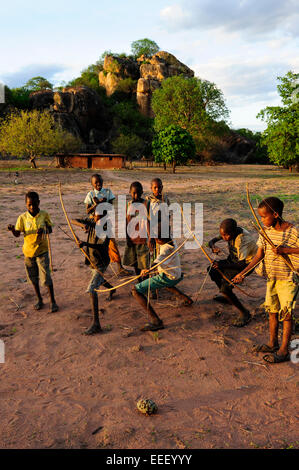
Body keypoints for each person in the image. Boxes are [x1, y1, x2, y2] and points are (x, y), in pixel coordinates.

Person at [233, 197, 299, 363]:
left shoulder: (292, 231)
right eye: (260, 217)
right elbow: (259, 255)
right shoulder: (265, 232)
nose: (261, 220)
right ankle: (272, 343)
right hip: (272, 278)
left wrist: (286, 250)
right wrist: (243, 273)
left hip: (288, 279)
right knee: (272, 311)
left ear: (275, 214)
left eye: (264, 217)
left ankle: (283, 350)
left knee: (286, 315)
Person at [132, 227, 193, 331]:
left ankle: (156, 321)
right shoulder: (171, 240)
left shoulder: (165, 249)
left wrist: (148, 269)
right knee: (165, 284)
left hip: (169, 277)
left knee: (135, 290)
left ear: (158, 239)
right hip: (176, 275)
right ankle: (187, 299)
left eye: (155, 238)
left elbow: (157, 261)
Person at [7, 191, 58, 313]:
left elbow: (50, 228)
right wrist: (12, 230)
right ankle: (39, 299)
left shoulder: (44, 215)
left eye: (34, 204)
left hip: (42, 250)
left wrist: (44, 229)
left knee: (46, 277)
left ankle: (53, 301)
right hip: (28, 252)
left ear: (39, 203)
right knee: (33, 277)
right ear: (26, 205)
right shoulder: (22, 218)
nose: (32, 207)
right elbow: (18, 234)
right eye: (29, 205)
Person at [208, 218, 257, 327]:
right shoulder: (228, 232)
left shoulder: (243, 240)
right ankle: (228, 297)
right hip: (233, 261)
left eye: (226, 235)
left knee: (225, 287)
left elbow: (241, 264)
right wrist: (213, 246)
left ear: (233, 232)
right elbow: (211, 242)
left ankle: (245, 313)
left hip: (245, 266)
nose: (224, 238)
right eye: (222, 235)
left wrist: (221, 265)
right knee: (212, 270)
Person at [80, 174, 130, 276]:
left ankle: (119, 267)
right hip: (95, 223)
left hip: (106, 222)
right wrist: (96, 205)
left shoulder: (107, 192)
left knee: (112, 244)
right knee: (94, 245)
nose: (99, 184)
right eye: (96, 183)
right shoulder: (90, 194)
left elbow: (111, 207)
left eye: (100, 182)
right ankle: (95, 267)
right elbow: (87, 210)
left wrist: (103, 204)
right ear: (92, 184)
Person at [78, 232, 116, 335]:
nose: (92, 216)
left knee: (92, 289)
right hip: (93, 260)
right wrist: (84, 225)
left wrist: (86, 244)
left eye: (95, 215)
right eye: (92, 214)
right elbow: (74, 220)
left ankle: (96, 324)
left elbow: (102, 245)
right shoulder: (92, 223)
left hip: (101, 262)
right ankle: (112, 289)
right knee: (98, 279)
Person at [123, 181, 151, 279]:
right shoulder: (128, 204)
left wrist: (150, 237)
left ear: (142, 192)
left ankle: (145, 283)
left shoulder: (146, 203)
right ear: (130, 192)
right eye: (134, 193)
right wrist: (127, 238)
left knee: (144, 264)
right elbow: (126, 222)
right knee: (135, 262)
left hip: (143, 240)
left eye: (138, 193)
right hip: (132, 239)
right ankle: (139, 281)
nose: (136, 195)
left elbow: (149, 221)